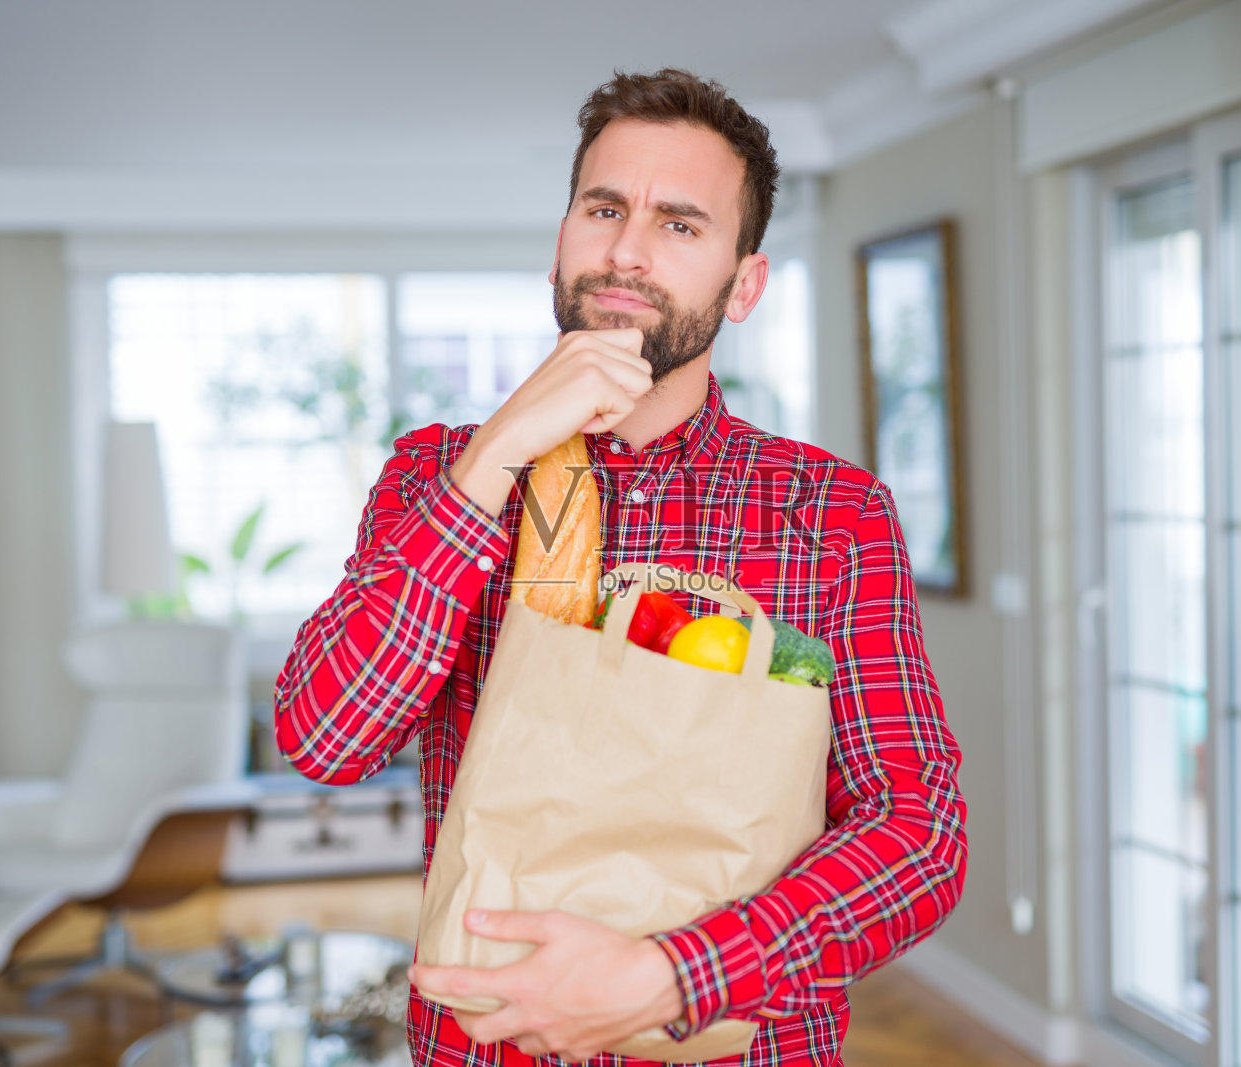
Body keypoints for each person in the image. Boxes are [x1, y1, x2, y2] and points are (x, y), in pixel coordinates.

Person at [275, 68, 967, 1067]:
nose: (627, 250)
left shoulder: (829, 513)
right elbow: (324, 737)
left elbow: (918, 832)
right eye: (604, 207)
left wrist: (677, 972)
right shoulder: (439, 472)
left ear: (746, 282)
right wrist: (493, 461)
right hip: (482, 1043)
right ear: (560, 238)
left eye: (680, 224)